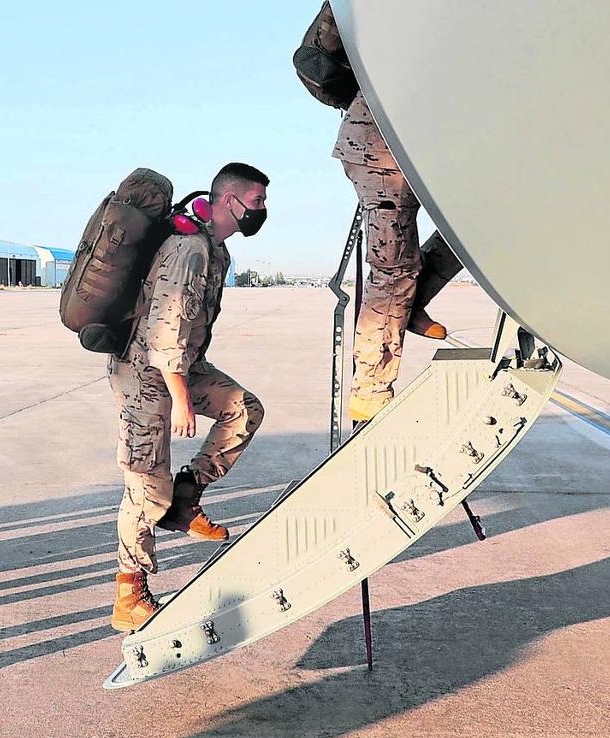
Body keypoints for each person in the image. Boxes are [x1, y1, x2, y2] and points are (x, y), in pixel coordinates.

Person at [108, 163, 269, 632]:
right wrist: (181, 398)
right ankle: (129, 592)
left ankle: (185, 497)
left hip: (180, 367)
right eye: (257, 202)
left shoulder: (214, 249)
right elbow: (165, 329)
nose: (262, 211)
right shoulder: (190, 248)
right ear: (229, 201)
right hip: (146, 374)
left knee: (243, 409)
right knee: (144, 482)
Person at [309, 2, 464, 423]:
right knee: (392, 268)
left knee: (467, 231)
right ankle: (370, 389)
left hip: (413, 144)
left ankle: (412, 306)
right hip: (378, 147)